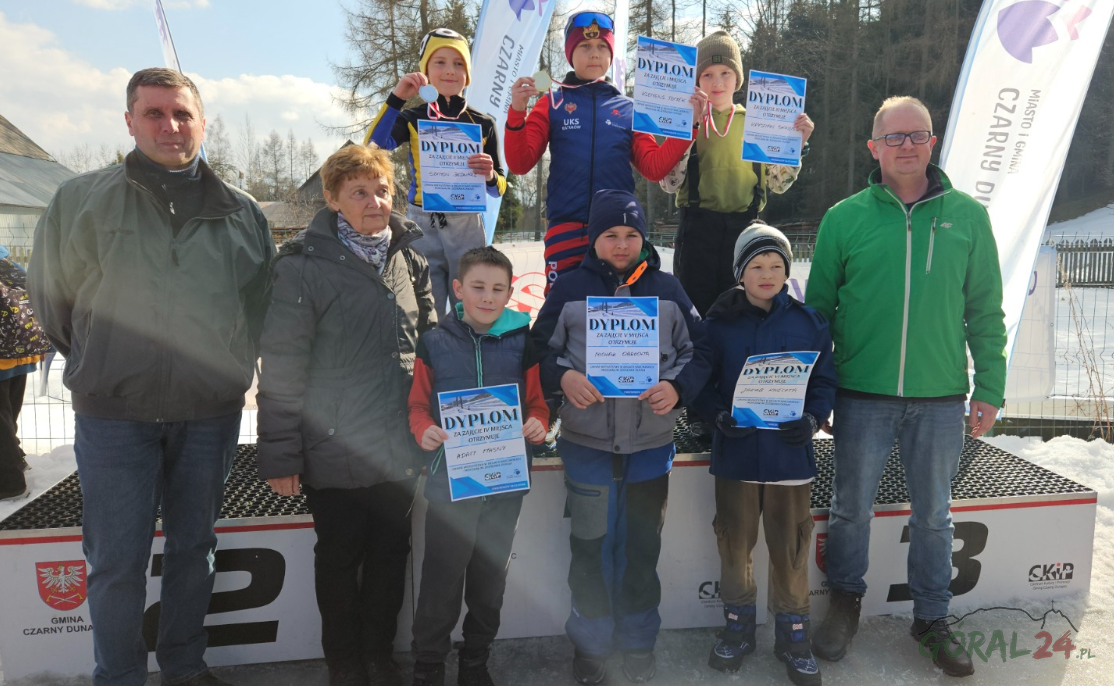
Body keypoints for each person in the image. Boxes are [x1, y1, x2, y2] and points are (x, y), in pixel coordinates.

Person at [28, 68, 275, 686]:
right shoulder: (80, 200)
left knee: (195, 549)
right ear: (130, 121)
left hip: (209, 413)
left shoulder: (242, 212)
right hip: (115, 414)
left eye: (182, 113)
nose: (170, 125)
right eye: (155, 113)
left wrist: (224, 366)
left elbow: (258, 308)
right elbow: (51, 298)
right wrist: (100, 359)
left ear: (202, 122)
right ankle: (118, 676)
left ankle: (184, 668)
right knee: (116, 561)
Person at [805, 96, 1007, 678]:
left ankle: (932, 616)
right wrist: (820, 391)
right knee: (850, 509)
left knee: (935, 514)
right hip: (862, 393)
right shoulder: (845, 218)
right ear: (874, 148)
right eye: (894, 137)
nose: (907, 146)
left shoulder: (968, 216)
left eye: (917, 134)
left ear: (932, 142)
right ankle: (845, 600)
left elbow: (984, 309)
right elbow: (816, 314)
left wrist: (989, 386)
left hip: (940, 394)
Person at [256, 144, 435, 686]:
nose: (374, 201)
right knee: (338, 558)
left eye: (382, 190)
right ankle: (345, 663)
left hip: (398, 444)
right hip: (333, 446)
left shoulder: (410, 262)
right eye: (359, 191)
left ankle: (379, 655)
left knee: (390, 553)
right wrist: (281, 453)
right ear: (333, 199)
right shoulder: (302, 269)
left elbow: (432, 353)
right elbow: (282, 364)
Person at [531, 189, 711, 684]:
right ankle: (591, 644)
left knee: (640, 550)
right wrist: (563, 377)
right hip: (587, 447)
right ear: (594, 238)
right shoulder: (570, 288)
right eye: (610, 234)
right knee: (590, 550)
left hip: (649, 449)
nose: (622, 244)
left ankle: (637, 641)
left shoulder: (668, 289)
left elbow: (700, 350)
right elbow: (539, 349)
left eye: (632, 234)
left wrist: (677, 387)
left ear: (644, 239)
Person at [693, 223, 836, 686]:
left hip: (789, 459)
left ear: (787, 271)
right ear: (741, 272)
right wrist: (715, 415)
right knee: (735, 543)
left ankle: (794, 635)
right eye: (757, 265)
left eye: (776, 265)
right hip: (737, 456)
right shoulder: (717, 323)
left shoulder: (809, 322)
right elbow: (701, 383)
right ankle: (738, 627)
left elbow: (824, 381)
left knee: (791, 547)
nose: (767, 274)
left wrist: (812, 419)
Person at [406, 246, 549, 686]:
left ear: (510, 292)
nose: (488, 297)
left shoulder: (523, 341)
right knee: (441, 581)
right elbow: (417, 406)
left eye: (498, 289)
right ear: (458, 288)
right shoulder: (434, 342)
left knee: (489, 583)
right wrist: (424, 431)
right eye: (478, 287)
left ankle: (475, 661)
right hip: (451, 486)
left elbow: (539, 404)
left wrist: (538, 425)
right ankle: (429, 665)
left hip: (504, 486)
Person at [505, 12, 705, 292]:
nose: (594, 54)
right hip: (566, 229)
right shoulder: (551, 102)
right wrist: (516, 112)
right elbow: (520, 163)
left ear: (611, 54)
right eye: (584, 46)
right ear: (570, 53)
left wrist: (688, 125)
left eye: (602, 46)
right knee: (562, 309)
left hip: (616, 233)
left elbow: (654, 167)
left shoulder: (629, 108)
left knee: (614, 311)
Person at [659, 30, 814, 319]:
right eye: (707, 75)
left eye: (725, 73)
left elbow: (777, 184)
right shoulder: (685, 119)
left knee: (743, 315)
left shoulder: (758, 121)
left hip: (746, 229)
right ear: (697, 80)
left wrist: (796, 146)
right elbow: (669, 183)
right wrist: (688, 130)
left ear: (738, 79)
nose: (717, 82)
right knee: (695, 316)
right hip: (697, 231)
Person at [367, 28, 507, 315]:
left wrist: (490, 175)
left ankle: (466, 345)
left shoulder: (483, 123)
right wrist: (397, 98)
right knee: (425, 307)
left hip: (467, 222)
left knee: (469, 306)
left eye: (459, 64)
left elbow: (499, 188)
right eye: (439, 62)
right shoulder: (412, 117)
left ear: (468, 74)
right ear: (426, 71)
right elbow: (372, 146)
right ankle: (429, 347)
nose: (450, 71)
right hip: (423, 221)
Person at [0, 246, 49, 503]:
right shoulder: (8, 265)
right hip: (21, 354)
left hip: (4, 355)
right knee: (7, 417)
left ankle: (8, 485)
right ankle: (17, 460)